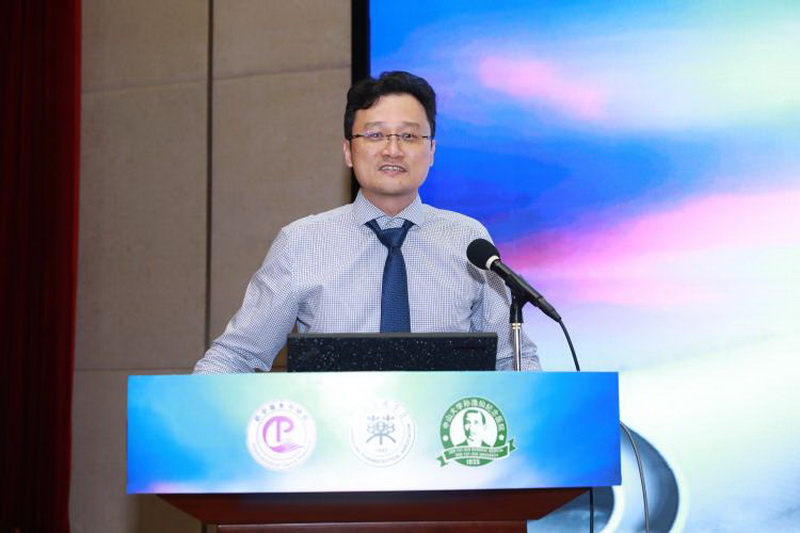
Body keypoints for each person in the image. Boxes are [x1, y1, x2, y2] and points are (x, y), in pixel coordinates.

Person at [193, 71, 538, 374]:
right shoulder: (301, 242)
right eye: (375, 135)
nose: (392, 150)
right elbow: (236, 356)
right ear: (348, 150)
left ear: (431, 151)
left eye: (408, 136)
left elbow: (513, 361)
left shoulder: (468, 239)